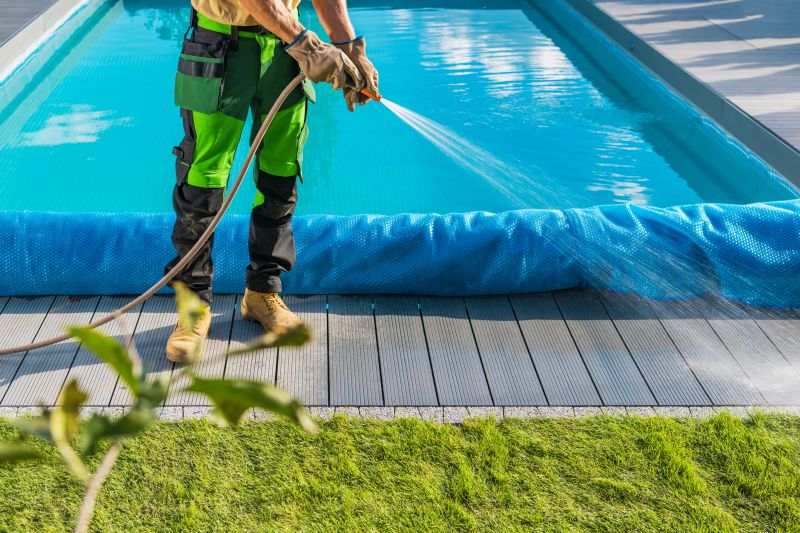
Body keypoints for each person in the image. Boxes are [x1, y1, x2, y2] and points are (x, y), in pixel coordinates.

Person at [164, 0, 380, 361]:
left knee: (281, 169)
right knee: (203, 175)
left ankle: (263, 293)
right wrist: (308, 46)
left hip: (285, 49)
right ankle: (192, 307)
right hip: (221, 46)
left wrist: (347, 47)